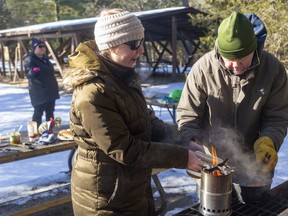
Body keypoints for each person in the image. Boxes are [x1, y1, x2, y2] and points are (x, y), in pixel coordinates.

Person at [63, 8, 202, 216]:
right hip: (106, 200)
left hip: (129, 189)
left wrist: (184, 141)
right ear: (110, 46)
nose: (141, 51)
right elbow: (124, 149)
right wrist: (183, 158)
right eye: (134, 44)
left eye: (141, 42)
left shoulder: (123, 77)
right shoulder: (92, 93)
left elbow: (149, 122)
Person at [177, 11, 288, 203]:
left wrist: (268, 142)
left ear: (255, 49)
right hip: (213, 166)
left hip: (255, 164)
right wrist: (191, 140)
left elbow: (277, 117)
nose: (236, 67)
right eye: (230, 60)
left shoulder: (273, 69)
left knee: (256, 209)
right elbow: (188, 116)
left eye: (242, 59)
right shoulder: (203, 70)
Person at [24, 37, 60, 128]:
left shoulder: (45, 59)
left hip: (50, 90)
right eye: (40, 46)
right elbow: (28, 74)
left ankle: (50, 130)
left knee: (50, 112)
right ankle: (35, 132)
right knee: (38, 113)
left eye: (43, 46)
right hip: (39, 92)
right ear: (34, 48)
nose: (42, 48)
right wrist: (33, 70)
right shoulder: (30, 59)